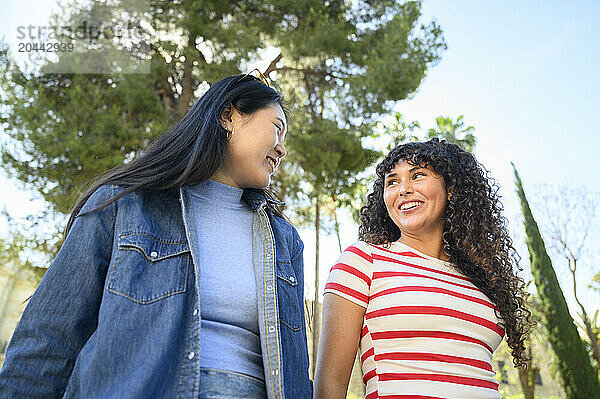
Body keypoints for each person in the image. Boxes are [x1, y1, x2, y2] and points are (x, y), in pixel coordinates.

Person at [0, 73, 312, 399]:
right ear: (228, 116)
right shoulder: (125, 204)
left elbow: (295, 370)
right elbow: (50, 337)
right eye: (277, 128)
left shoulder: (284, 241)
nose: (282, 148)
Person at [314, 139, 530, 399]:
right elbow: (330, 384)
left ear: (451, 189)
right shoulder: (363, 260)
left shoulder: (480, 279)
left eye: (418, 175)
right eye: (392, 181)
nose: (403, 189)